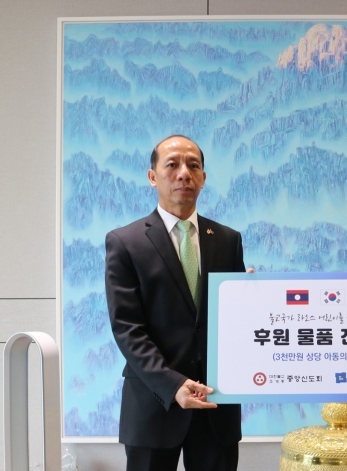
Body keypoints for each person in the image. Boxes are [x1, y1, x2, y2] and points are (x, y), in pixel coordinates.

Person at [105, 135, 247, 471]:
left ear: (203, 178)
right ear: (153, 176)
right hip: (154, 405)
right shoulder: (126, 243)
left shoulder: (227, 239)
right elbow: (128, 329)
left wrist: (250, 298)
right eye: (172, 165)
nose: (184, 173)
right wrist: (174, 385)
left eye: (193, 165)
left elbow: (234, 322)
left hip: (216, 405)